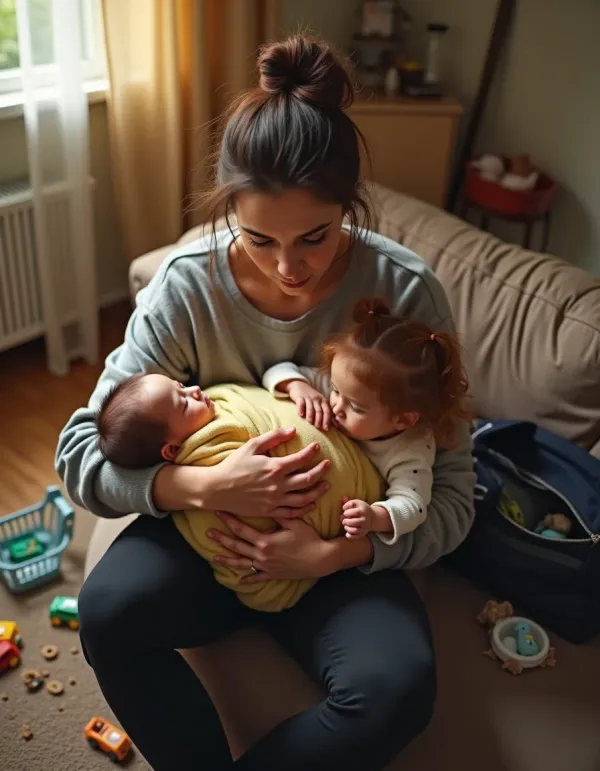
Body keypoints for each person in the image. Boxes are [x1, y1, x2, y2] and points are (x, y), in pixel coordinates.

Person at [56, 33, 475, 771]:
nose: (289, 268)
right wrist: (203, 482)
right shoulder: (186, 289)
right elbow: (80, 449)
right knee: (108, 612)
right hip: (207, 537)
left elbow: (455, 490)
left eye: (314, 237)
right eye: (257, 239)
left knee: (399, 687)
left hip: (335, 558)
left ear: (349, 205)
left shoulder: (406, 292)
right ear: (228, 214)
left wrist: (336, 550)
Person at [93, 371, 382, 612]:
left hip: (364, 527)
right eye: (183, 403)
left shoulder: (220, 399)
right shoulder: (208, 449)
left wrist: (330, 556)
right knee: (106, 605)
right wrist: (208, 486)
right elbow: (84, 459)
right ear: (171, 450)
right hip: (346, 521)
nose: (194, 389)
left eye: (181, 386)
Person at [263, 297, 471, 541]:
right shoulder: (341, 389)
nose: (336, 405)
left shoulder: (410, 451)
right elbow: (277, 369)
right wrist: (296, 385)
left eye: (356, 408)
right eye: (335, 389)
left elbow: (413, 505)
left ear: (402, 420)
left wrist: (376, 516)